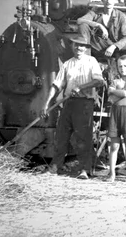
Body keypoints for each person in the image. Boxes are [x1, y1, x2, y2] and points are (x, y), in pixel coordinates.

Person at [41, 35, 104, 179]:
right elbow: (56, 85)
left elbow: (99, 81)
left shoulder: (91, 61)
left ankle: (84, 170)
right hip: (68, 103)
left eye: (82, 45)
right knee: (61, 136)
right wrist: (46, 104)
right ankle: (55, 168)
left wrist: (81, 87)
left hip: (84, 103)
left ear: (86, 48)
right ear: (72, 47)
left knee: (83, 138)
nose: (79, 48)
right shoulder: (67, 64)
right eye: (76, 45)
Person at [78, 0, 126, 73]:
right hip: (99, 46)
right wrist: (99, 25)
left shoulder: (121, 16)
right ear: (102, 0)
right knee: (83, 25)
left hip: (115, 48)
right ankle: (84, 59)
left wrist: (114, 46)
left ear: (115, 0)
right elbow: (80, 20)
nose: (109, 1)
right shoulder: (96, 12)